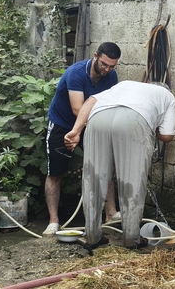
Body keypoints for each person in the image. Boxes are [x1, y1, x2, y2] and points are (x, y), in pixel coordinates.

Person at [63, 80, 175, 249]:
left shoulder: (124, 85)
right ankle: (132, 239)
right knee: (132, 180)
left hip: (97, 119)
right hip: (134, 120)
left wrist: (76, 131)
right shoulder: (167, 96)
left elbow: (90, 102)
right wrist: (154, 124)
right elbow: (167, 136)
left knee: (94, 178)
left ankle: (92, 237)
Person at [42, 42, 121, 236]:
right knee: (55, 172)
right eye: (104, 64)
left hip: (91, 124)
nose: (107, 69)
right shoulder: (76, 73)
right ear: (95, 56)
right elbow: (78, 110)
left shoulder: (111, 77)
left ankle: (111, 214)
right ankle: (54, 221)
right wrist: (76, 132)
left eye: (112, 66)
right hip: (63, 124)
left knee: (105, 166)